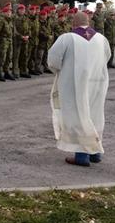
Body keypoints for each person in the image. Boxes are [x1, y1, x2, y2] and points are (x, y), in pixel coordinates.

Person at [47, 11, 110, 167]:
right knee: (94, 114)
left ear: (73, 24)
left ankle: (82, 156)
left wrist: (63, 71)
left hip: (74, 83)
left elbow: (53, 61)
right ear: (88, 22)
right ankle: (95, 152)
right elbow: (107, 57)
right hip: (97, 82)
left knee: (78, 115)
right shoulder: (101, 39)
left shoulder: (67, 38)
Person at [13, 4, 30, 78]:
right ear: (18, 10)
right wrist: (21, 36)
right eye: (20, 10)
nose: (22, 11)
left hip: (25, 40)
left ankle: (23, 71)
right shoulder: (14, 17)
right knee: (16, 56)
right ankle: (15, 72)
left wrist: (28, 35)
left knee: (24, 56)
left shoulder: (26, 18)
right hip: (17, 40)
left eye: (23, 10)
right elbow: (14, 30)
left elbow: (29, 28)